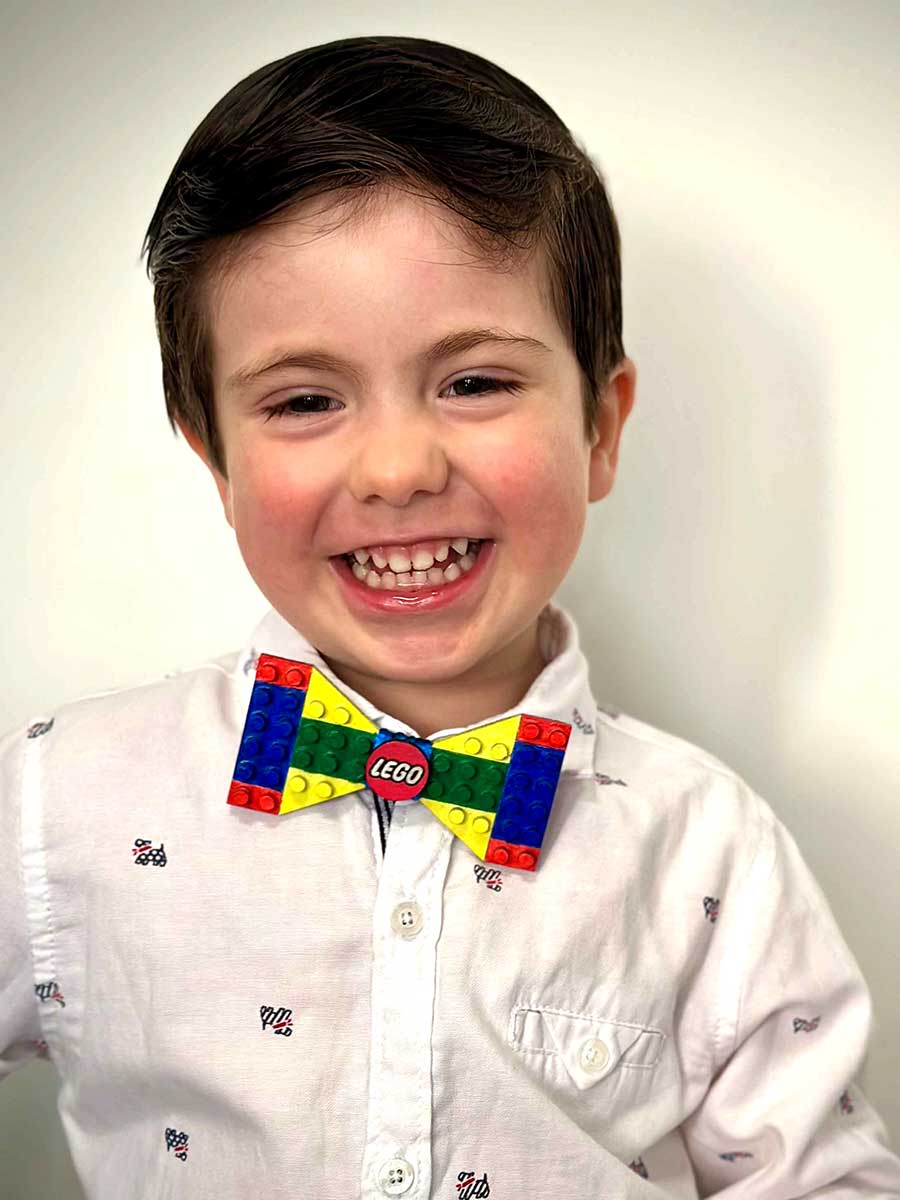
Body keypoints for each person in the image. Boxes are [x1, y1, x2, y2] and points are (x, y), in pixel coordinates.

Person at [1, 34, 898, 1200]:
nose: (397, 468)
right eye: (305, 400)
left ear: (601, 428)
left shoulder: (711, 849)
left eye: (474, 382)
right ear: (215, 460)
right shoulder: (59, 801)